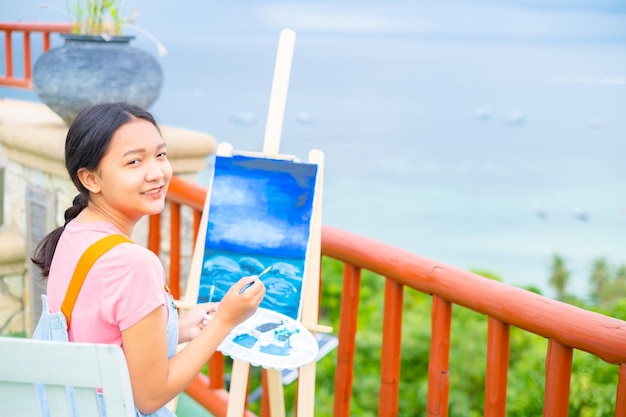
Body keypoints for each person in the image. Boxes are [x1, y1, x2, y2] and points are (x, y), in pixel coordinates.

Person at [31, 102, 265, 416]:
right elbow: (151, 397)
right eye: (134, 162)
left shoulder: (75, 232)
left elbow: (96, 332)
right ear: (90, 179)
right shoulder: (133, 264)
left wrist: (177, 330)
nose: (156, 172)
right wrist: (224, 321)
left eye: (160, 155)